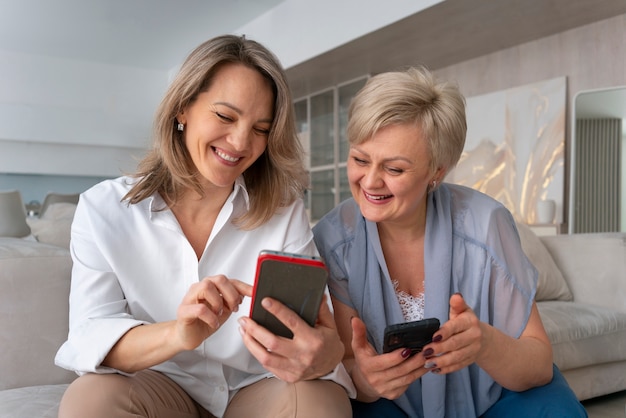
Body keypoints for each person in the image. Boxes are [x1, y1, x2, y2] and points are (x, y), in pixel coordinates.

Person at [54, 34, 354, 418]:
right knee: (89, 400)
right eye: (225, 116)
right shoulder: (104, 209)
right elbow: (90, 334)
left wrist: (322, 355)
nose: (241, 141)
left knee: (322, 401)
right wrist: (178, 333)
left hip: (256, 389)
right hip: (159, 385)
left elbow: (321, 343)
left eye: (260, 128)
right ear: (183, 108)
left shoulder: (284, 210)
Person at [312, 66, 587, 417]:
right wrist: (366, 381)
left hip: (495, 397)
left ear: (437, 172)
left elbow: (538, 363)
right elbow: (347, 363)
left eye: (394, 169)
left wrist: (484, 344)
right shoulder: (335, 239)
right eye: (359, 160)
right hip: (389, 404)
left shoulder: (485, 223)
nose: (370, 181)